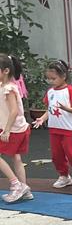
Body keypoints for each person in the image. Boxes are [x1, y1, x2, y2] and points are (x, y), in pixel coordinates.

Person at [31, 59, 72, 189]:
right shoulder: (50, 92)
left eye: (54, 78)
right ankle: (64, 176)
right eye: (48, 79)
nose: (51, 81)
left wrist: (66, 108)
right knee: (57, 156)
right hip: (54, 129)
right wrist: (42, 119)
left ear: (63, 76)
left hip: (69, 129)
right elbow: (49, 109)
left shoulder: (70, 90)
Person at [0, 54, 32, 203]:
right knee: (16, 157)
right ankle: (24, 188)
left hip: (12, 129)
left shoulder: (9, 88)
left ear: (6, 71)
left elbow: (14, 111)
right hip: (18, 128)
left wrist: (6, 130)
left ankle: (16, 184)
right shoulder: (4, 87)